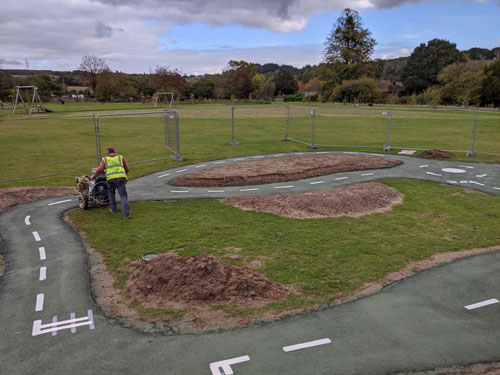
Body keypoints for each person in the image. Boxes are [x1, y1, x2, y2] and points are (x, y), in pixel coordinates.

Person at [92, 147, 131, 220]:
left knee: (111, 193)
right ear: (115, 152)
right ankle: (126, 215)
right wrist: (123, 174)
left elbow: (100, 169)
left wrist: (94, 176)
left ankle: (113, 209)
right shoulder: (120, 157)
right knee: (123, 196)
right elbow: (127, 168)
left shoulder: (105, 159)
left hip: (110, 180)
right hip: (120, 179)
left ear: (107, 153)